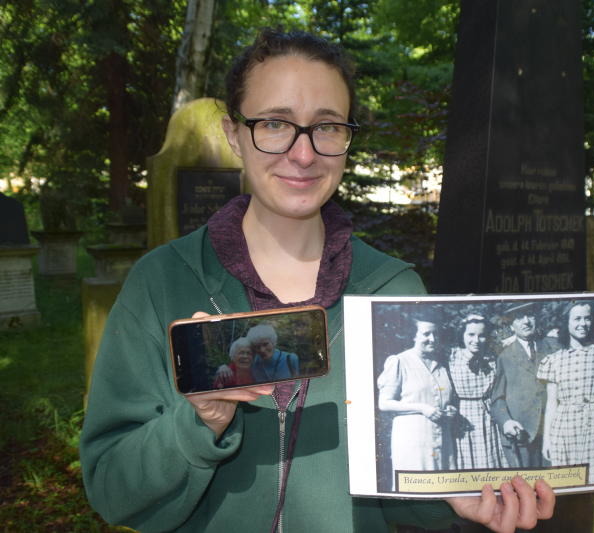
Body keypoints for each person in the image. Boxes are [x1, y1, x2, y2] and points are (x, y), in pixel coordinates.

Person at [80, 28, 554, 533]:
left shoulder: (394, 291)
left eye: (326, 127)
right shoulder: (161, 283)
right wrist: (198, 424)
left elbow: (401, 491)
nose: (304, 154)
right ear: (234, 134)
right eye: (275, 124)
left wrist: (454, 500)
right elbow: (112, 487)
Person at [538, 302, 594, 485]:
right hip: (563, 426)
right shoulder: (554, 360)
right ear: (567, 323)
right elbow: (552, 404)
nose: (583, 323)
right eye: (577, 318)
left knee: (593, 478)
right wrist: (547, 440)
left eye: (587, 318)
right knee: (566, 481)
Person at [377, 315, 456, 481]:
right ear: (414, 336)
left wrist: (449, 409)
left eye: (436, 334)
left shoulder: (440, 365)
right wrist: (422, 408)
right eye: (426, 334)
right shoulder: (400, 361)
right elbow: (384, 403)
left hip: (442, 438)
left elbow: (442, 397)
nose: (432, 339)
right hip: (413, 439)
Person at [490, 303, 560, 468]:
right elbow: (497, 398)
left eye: (530, 315)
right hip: (522, 434)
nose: (526, 321)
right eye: (519, 318)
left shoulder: (552, 348)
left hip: (551, 430)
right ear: (511, 326)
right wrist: (506, 421)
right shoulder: (505, 357)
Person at [448, 315, 507, 469]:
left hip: (488, 415)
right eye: (471, 335)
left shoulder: (492, 358)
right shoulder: (452, 357)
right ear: (462, 335)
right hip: (463, 416)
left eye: (481, 336)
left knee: (491, 457)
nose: (476, 340)